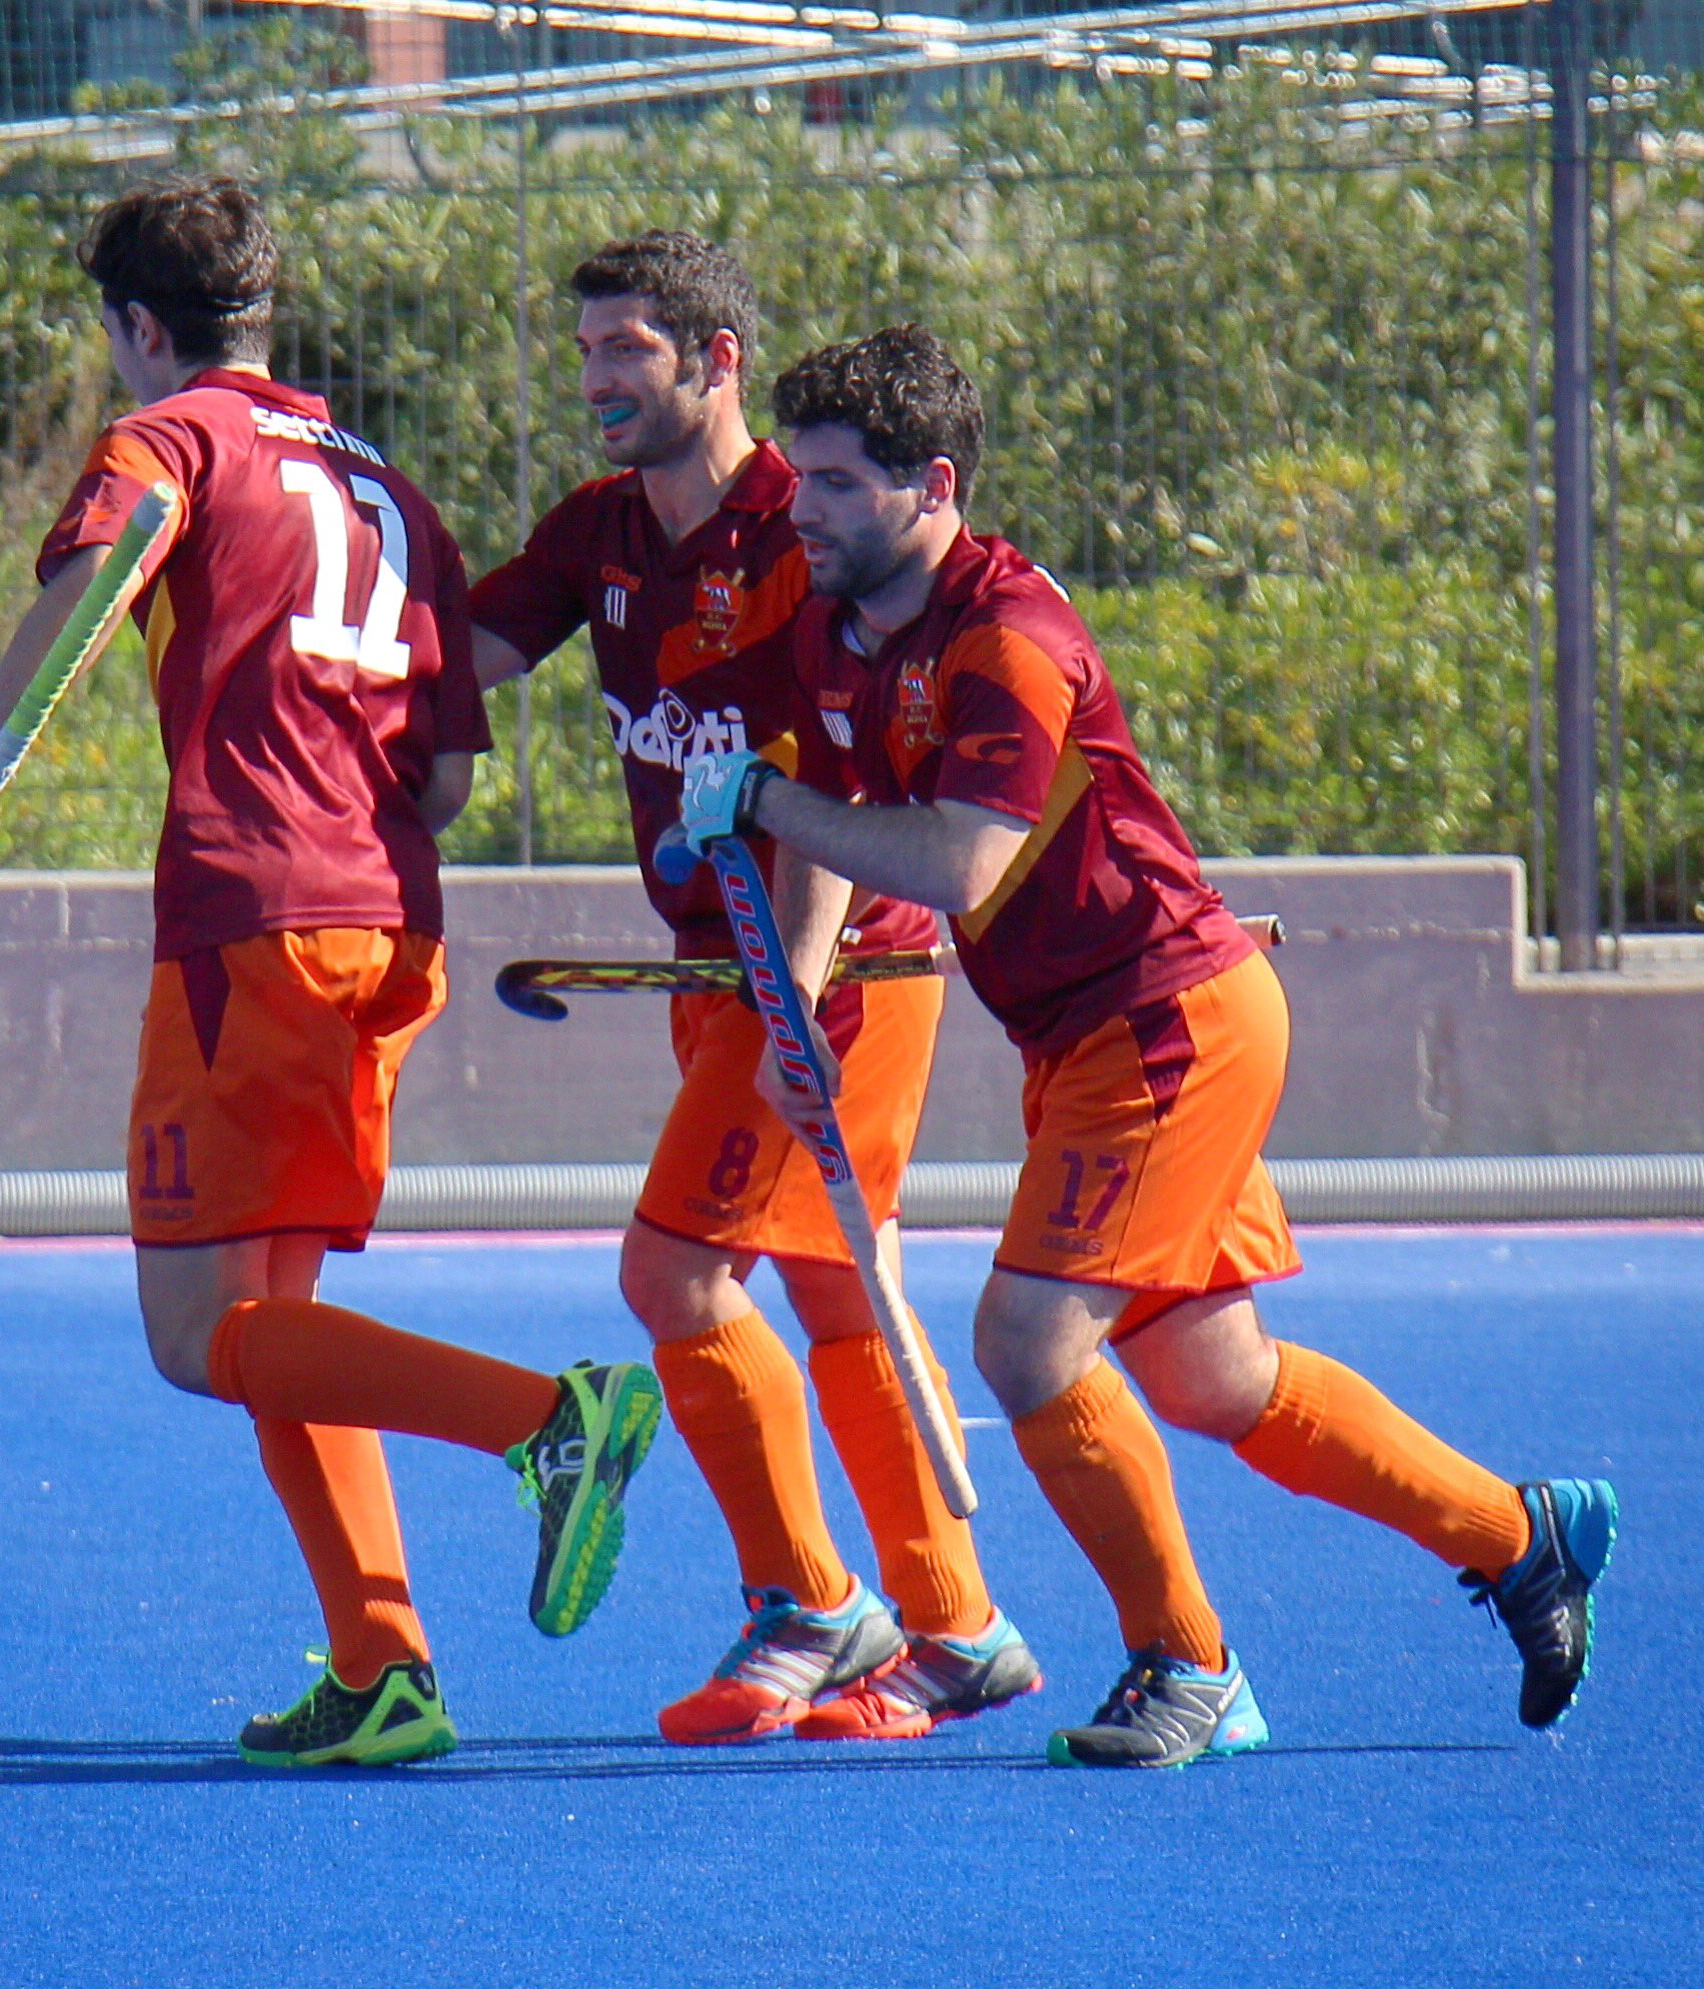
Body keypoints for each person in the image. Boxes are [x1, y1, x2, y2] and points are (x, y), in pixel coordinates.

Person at [675, 323, 1616, 1766]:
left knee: (1028, 1341)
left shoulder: (1008, 637)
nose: (806, 508)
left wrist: (759, 804)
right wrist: (795, 996)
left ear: (935, 486)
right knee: (1212, 1377)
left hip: (1168, 1025)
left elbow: (958, 860)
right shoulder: (838, 627)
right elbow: (833, 819)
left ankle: (1190, 1664)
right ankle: (1520, 1537)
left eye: (843, 484)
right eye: (802, 478)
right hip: (1088, 1038)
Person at [0, 175, 662, 1769]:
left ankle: (550, 1420)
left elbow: (89, 594)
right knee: (274, 1318)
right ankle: (384, 1670)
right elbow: (448, 779)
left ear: (139, 326)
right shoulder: (392, 488)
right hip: (388, 928)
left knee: (196, 1335)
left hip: (254, 924)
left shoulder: (170, 440)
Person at [469, 233, 1038, 1744]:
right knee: (842, 1292)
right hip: (716, 962)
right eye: (586, 350)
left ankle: (811, 1600)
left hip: (831, 962)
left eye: (628, 350)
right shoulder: (600, 529)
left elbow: (841, 770)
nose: (596, 379)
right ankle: (958, 1626)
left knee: (672, 1276)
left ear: (716, 363)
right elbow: (461, 657)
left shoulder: (805, 529)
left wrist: (788, 989)